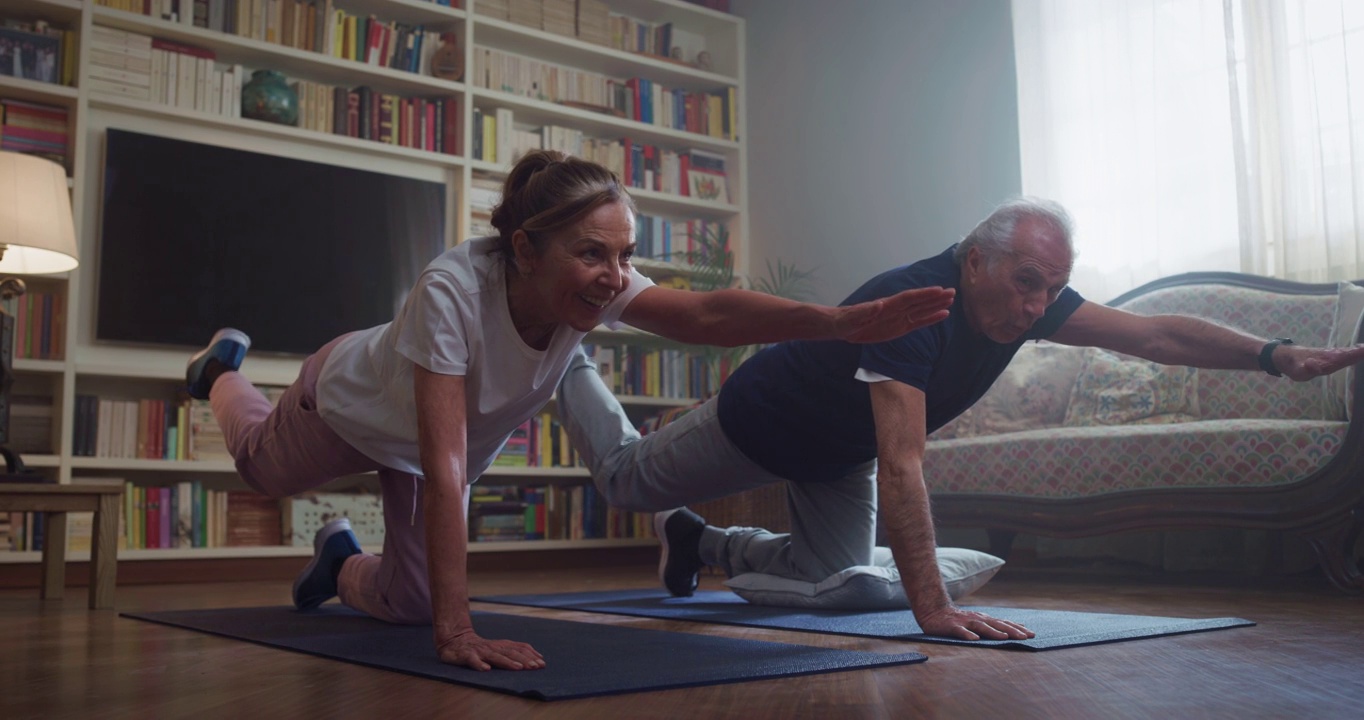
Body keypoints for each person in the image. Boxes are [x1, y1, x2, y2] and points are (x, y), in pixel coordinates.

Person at [182, 149, 959, 672]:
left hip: (418, 452)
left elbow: (707, 315)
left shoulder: (596, 283)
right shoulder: (454, 290)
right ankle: (219, 371)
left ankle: (339, 559)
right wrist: (462, 632)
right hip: (344, 407)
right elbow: (449, 468)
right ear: (524, 248)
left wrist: (839, 323)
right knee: (258, 463)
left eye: (623, 256)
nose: (613, 276)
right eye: (593, 254)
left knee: (409, 604)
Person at [555, 196, 1364, 643]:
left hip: (838, 457)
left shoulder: (1027, 300)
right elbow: (905, 462)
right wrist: (931, 610)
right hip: (758, 423)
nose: (1037, 305)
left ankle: (706, 542)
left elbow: (1153, 333)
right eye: (1024, 282)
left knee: (833, 589)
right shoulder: (923, 304)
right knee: (626, 481)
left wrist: (1271, 354)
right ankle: (564, 357)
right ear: (973, 261)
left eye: (1050, 286)